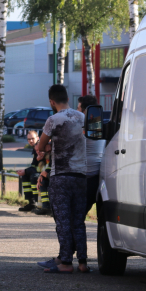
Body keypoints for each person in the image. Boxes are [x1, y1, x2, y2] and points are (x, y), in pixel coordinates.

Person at [34, 84, 89, 274]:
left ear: (52, 101)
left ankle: (65, 262)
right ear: (67, 98)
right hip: (81, 176)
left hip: (61, 176)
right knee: (78, 221)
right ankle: (83, 262)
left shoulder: (53, 120)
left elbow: (40, 145)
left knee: (63, 221)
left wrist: (48, 147)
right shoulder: (82, 117)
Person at [77, 95, 106, 219]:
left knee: (77, 217)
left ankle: (76, 238)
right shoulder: (98, 125)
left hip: (86, 177)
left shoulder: (84, 127)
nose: (76, 110)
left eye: (78, 108)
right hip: (96, 175)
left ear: (84, 111)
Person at [17, 131, 43, 212]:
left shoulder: (40, 147)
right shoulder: (35, 148)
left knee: (33, 176)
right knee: (25, 176)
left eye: (32, 138)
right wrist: (25, 171)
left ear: (38, 138)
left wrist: (26, 170)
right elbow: (34, 164)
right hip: (40, 170)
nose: (30, 141)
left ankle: (36, 203)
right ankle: (31, 202)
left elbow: (40, 167)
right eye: (29, 139)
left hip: (45, 171)